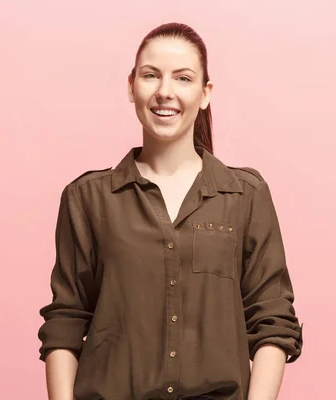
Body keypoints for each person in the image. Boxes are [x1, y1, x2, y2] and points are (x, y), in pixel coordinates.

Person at [37, 22, 303, 400]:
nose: (165, 92)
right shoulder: (87, 199)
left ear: (205, 93)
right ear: (131, 87)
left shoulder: (246, 196)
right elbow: (66, 319)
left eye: (182, 78)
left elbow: (272, 319)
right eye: (150, 76)